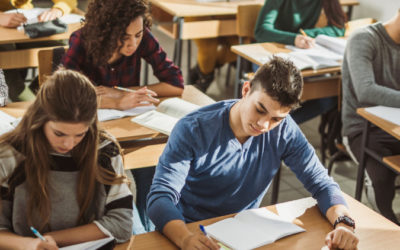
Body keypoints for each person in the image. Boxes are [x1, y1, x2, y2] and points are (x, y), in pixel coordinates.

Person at [147, 57, 359, 250]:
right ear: (246, 89)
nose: (264, 124)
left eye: (276, 119)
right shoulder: (193, 129)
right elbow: (160, 197)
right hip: (189, 230)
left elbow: (322, 183)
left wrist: (344, 224)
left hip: (244, 236)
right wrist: (185, 238)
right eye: (260, 109)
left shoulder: (285, 130)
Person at [0, 69, 134, 248]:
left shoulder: (103, 150)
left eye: (80, 134)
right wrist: (32, 246)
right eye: (59, 133)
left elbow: (122, 224)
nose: (69, 144)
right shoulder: (10, 155)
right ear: (40, 119)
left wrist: (52, 239)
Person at [62, 0, 184, 111]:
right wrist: (116, 102)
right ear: (107, 32)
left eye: (138, 35)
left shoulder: (144, 36)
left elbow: (176, 85)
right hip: (88, 121)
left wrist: (120, 92)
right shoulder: (81, 39)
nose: (133, 44)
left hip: (127, 121)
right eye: (124, 37)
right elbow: (64, 93)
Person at [341, 9, 400, 225]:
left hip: (395, 127)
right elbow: (366, 91)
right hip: (362, 130)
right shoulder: (364, 38)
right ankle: (390, 230)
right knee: (381, 180)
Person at [254, 0, 347, 124]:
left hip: (300, 54)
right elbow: (261, 31)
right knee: (276, 92)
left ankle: (282, 125)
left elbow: (339, 27)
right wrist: (293, 38)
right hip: (268, 54)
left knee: (333, 92)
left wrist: (307, 34)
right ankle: (276, 125)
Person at [0, 0, 78, 101]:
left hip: (23, 25)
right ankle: (33, 106)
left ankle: (36, 100)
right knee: (7, 60)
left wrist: (58, 9)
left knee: (65, 54)